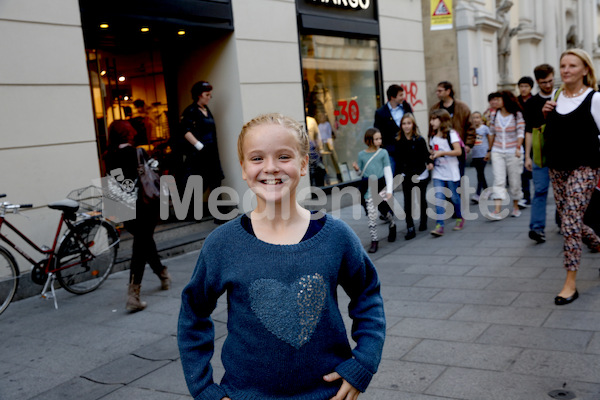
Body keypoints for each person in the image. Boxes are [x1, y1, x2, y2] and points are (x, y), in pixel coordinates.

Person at [177, 113, 386, 400]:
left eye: (284, 156)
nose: (271, 168)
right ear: (243, 168)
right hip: (245, 395)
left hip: (328, 394)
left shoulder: (337, 237)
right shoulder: (222, 244)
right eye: (257, 158)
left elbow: (368, 294)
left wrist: (364, 361)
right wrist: (203, 389)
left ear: (303, 164)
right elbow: (193, 313)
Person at [542, 49, 600, 305]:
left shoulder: (595, 98)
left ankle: (570, 283)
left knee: (569, 222)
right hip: (557, 167)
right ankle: (598, 242)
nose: (566, 70)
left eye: (572, 65)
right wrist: (546, 116)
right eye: (563, 65)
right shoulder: (555, 97)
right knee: (570, 220)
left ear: (585, 69)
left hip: (585, 167)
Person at [103, 120, 171, 312]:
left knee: (144, 241)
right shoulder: (138, 152)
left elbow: (115, 181)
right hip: (144, 203)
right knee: (141, 247)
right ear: (129, 133)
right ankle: (134, 295)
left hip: (123, 205)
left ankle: (162, 273)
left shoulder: (108, 156)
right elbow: (155, 169)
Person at [180, 81, 225, 213]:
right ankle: (194, 211)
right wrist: (198, 145)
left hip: (211, 151)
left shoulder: (206, 110)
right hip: (200, 153)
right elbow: (184, 130)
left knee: (216, 179)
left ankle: (219, 211)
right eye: (207, 94)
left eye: (210, 95)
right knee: (200, 182)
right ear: (199, 95)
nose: (209, 97)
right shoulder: (191, 111)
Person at [524, 64, 556, 243]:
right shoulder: (531, 103)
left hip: (562, 152)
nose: (548, 85)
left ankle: (563, 222)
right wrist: (527, 156)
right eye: (544, 82)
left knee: (563, 192)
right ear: (537, 82)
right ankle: (536, 228)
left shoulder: (562, 96)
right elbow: (529, 130)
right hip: (540, 152)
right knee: (540, 190)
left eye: (551, 80)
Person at [353, 128, 395, 253]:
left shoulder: (383, 153)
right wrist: (356, 169)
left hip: (381, 186)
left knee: (385, 210)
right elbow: (361, 174)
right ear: (369, 140)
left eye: (380, 138)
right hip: (368, 188)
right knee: (372, 216)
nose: (379, 141)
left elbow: (388, 172)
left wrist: (389, 190)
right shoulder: (361, 155)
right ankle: (374, 240)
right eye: (376, 139)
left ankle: (392, 223)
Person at [394, 113, 433, 240]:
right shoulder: (399, 141)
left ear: (413, 125)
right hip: (407, 175)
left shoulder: (420, 140)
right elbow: (398, 160)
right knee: (408, 202)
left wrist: (430, 163)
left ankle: (423, 221)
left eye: (409, 123)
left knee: (421, 199)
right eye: (404, 124)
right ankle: (410, 227)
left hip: (420, 173)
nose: (406, 126)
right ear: (401, 126)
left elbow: (426, 155)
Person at [487, 90, 525, 219]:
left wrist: (518, 147)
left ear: (505, 100)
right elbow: (491, 132)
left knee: (515, 180)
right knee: (498, 180)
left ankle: (515, 207)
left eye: (498, 99)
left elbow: (521, 132)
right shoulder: (494, 114)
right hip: (498, 151)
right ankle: (497, 210)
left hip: (513, 151)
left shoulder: (516, 115)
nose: (495, 102)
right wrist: (489, 150)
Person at [428, 109, 464, 236]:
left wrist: (442, 153)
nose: (431, 122)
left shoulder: (451, 134)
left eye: (434, 119)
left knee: (454, 197)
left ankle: (460, 217)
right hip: (438, 172)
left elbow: (458, 151)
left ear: (442, 120)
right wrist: (432, 158)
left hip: (451, 172)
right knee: (439, 198)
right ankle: (440, 225)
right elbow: (433, 151)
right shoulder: (433, 136)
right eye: (431, 119)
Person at [429, 81, 476, 177]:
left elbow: (470, 127)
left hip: (457, 146)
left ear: (448, 91)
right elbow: (431, 128)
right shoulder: (435, 108)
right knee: (442, 177)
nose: (437, 93)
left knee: (458, 177)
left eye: (440, 91)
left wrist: (468, 144)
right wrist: (431, 146)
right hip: (441, 147)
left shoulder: (462, 107)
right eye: (437, 91)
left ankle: (457, 192)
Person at [374, 84, 413, 173]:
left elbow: (413, 124)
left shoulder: (406, 107)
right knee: (390, 176)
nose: (402, 97)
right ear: (392, 97)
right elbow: (378, 131)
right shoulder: (381, 112)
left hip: (406, 148)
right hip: (390, 151)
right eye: (400, 95)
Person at [517, 77, 534, 208]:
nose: (523, 89)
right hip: (519, 138)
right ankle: (526, 196)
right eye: (521, 86)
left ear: (530, 88)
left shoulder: (534, 101)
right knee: (522, 170)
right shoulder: (515, 102)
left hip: (533, 136)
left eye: (526, 86)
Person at [469, 111, 490, 203]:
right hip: (475, 154)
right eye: (473, 118)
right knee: (480, 173)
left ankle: (478, 194)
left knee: (480, 173)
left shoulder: (484, 128)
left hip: (483, 154)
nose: (475, 119)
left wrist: (489, 152)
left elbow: (490, 139)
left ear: (481, 119)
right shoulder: (471, 129)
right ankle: (487, 190)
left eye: (477, 117)